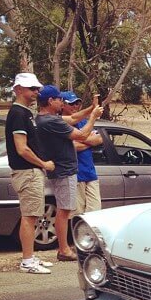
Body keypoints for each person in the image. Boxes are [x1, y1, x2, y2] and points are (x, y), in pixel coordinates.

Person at [35, 85, 103, 261]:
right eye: (59, 99)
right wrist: (93, 117)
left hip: (66, 170)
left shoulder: (47, 118)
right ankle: (64, 249)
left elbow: (74, 117)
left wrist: (91, 108)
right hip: (64, 171)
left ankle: (65, 248)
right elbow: (81, 135)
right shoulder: (51, 121)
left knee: (65, 210)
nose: (62, 102)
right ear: (51, 101)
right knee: (65, 211)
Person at [5, 73, 56, 274]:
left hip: (30, 172)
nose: (36, 92)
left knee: (33, 215)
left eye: (37, 88)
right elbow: (22, 149)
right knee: (29, 216)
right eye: (31, 88)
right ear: (18, 89)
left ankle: (31, 256)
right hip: (27, 172)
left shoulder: (24, 113)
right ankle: (27, 261)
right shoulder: (18, 114)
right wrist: (43, 163)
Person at [60, 91, 104, 214]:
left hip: (90, 174)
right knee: (78, 214)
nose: (75, 106)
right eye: (71, 104)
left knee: (95, 212)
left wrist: (80, 139)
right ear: (62, 105)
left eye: (78, 103)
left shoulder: (84, 122)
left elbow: (99, 139)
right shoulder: (61, 123)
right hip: (75, 175)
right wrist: (86, 140)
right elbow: (72, 147)